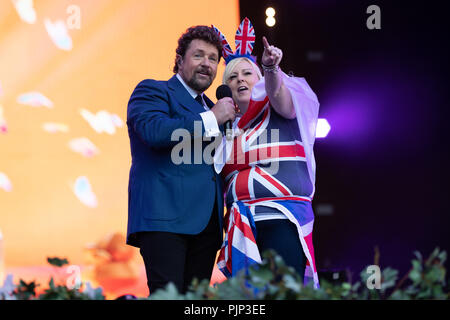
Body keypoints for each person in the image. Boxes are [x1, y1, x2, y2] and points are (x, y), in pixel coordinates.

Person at [126, 25, 236, 295]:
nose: (206, 64)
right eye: (199, 55)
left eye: (213, 59)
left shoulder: (213, 106)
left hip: (207, 226)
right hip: (165, 219)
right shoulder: (153, 91)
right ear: (179, 60)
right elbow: (155, 132)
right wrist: (212, 119)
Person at [213, 18, 320, 288]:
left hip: (280, 218)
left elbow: (277, 92)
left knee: (284, 292)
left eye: (247, 74)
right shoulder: (226, 129)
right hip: (242, 228)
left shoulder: (280, 108)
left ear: (259, 78)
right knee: (251, 302)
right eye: (232, 77)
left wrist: (271, 68)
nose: (239, 80)